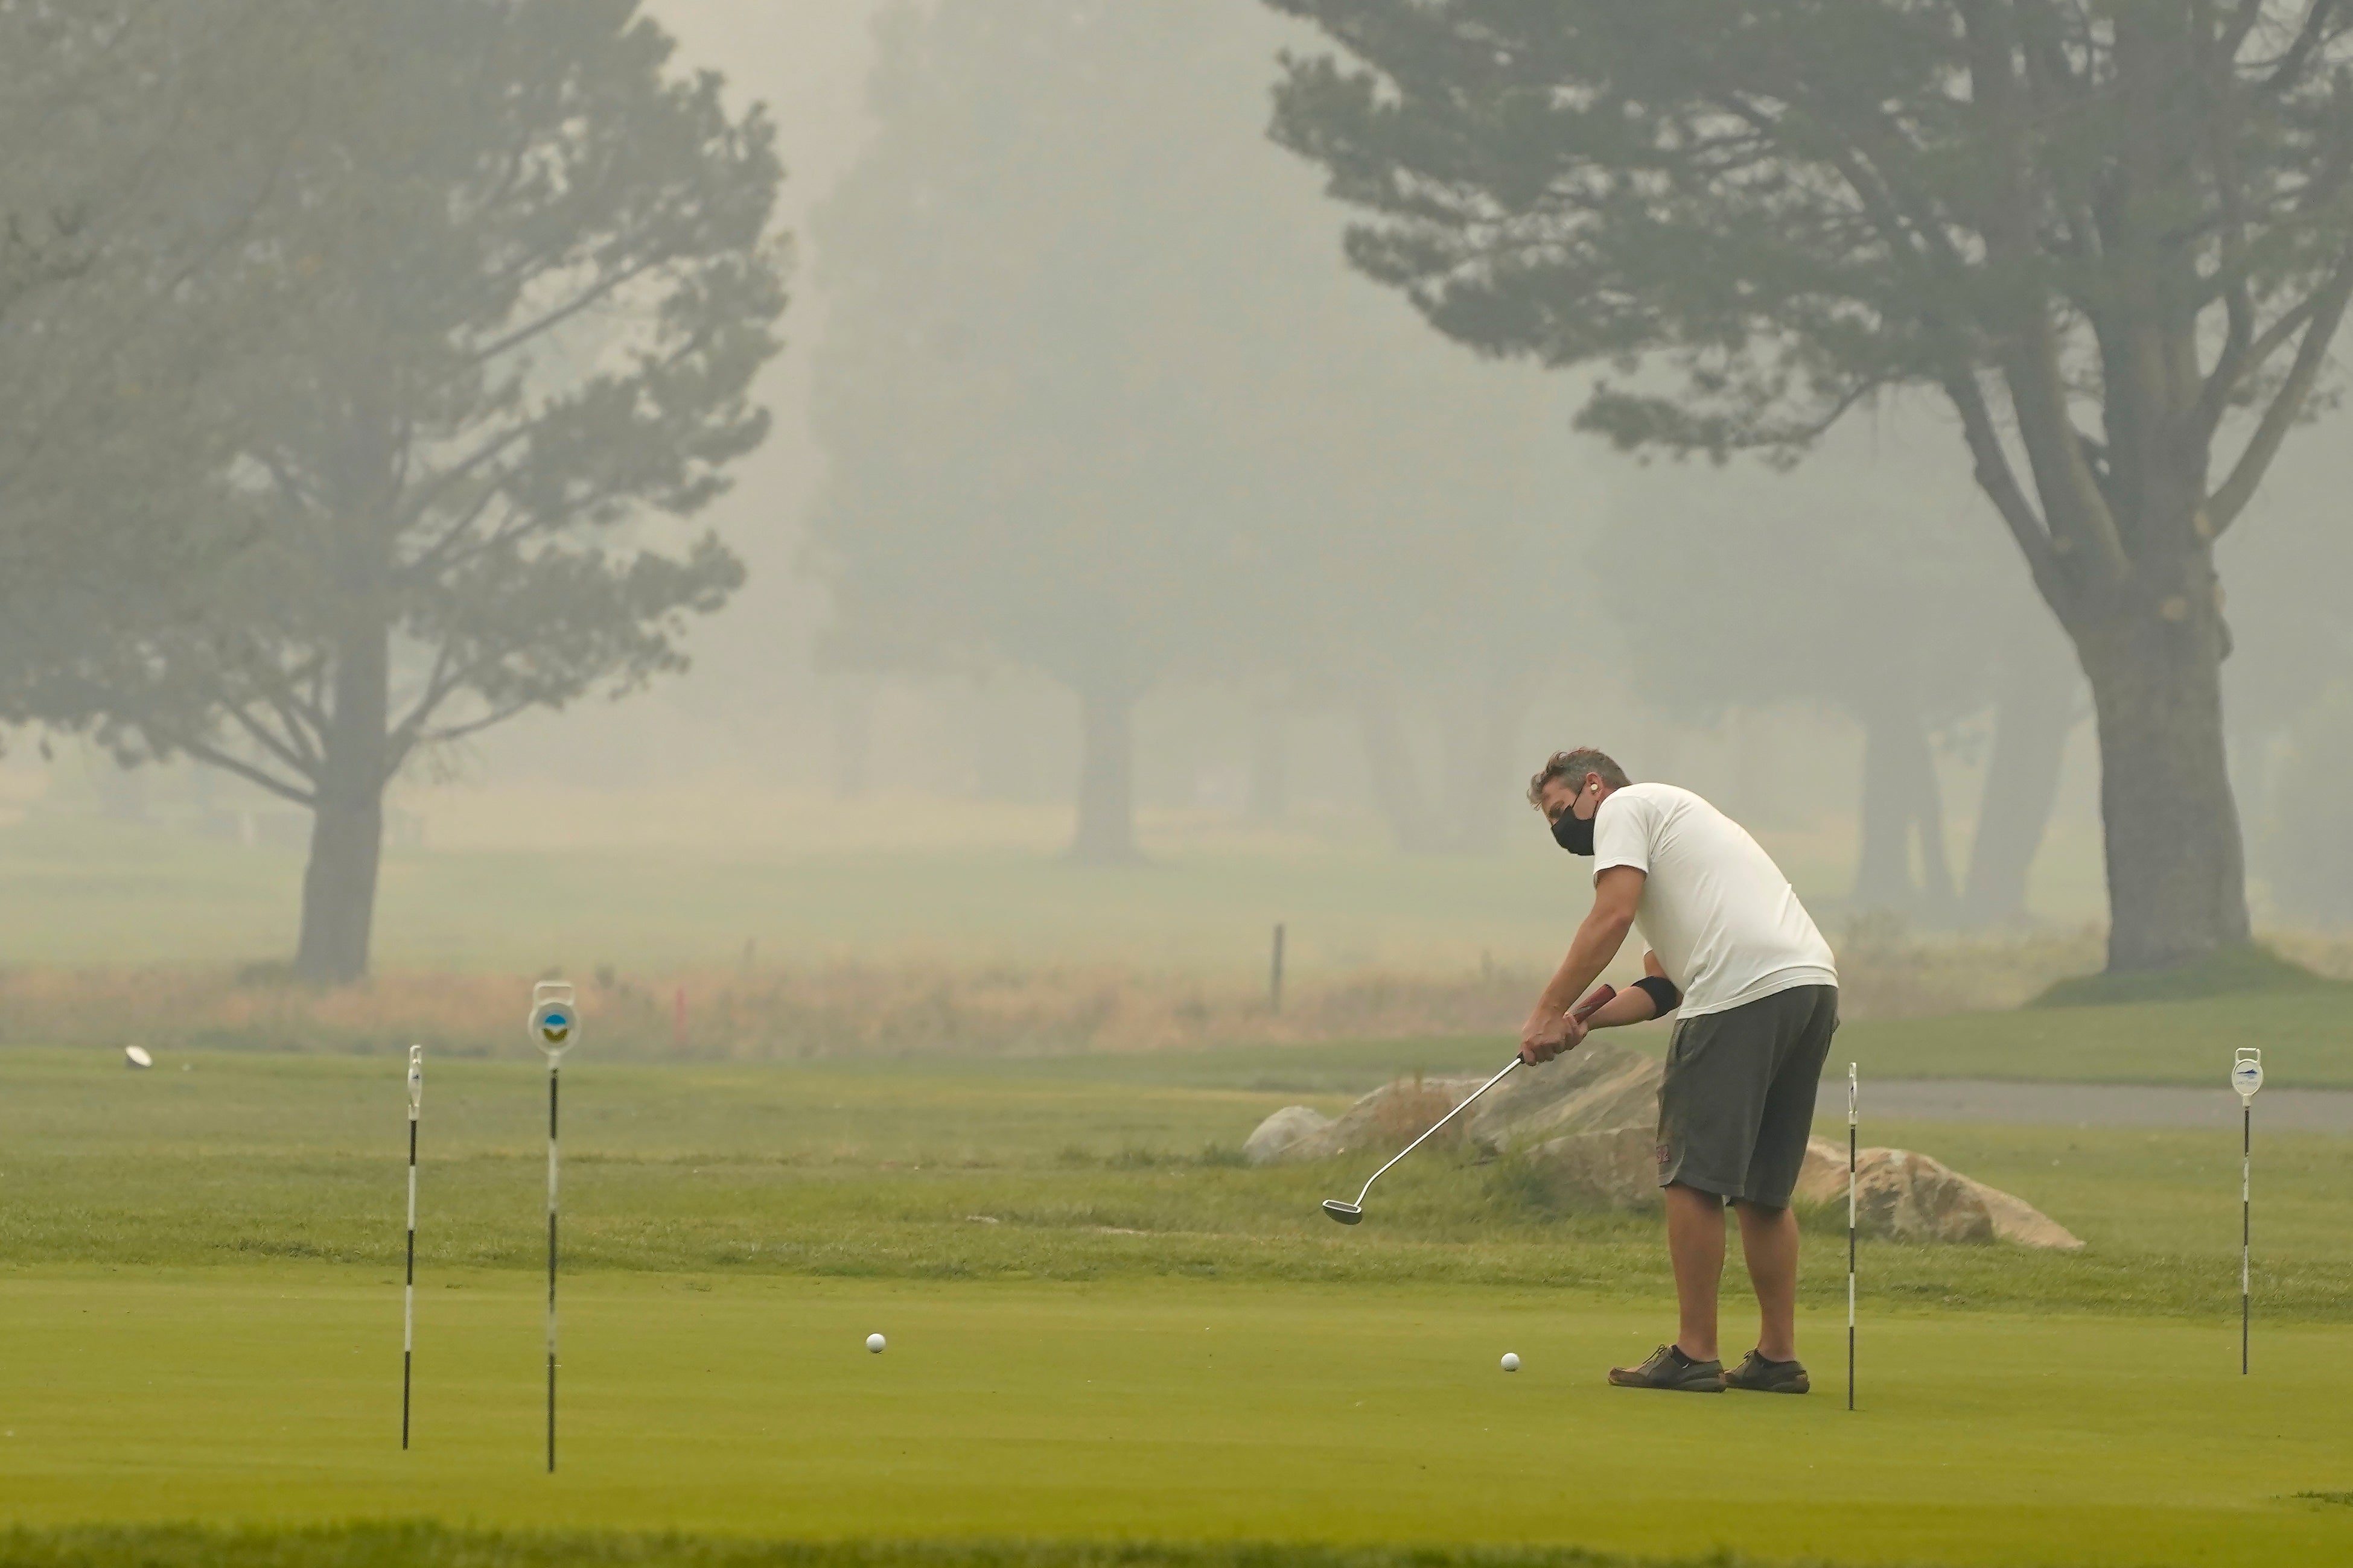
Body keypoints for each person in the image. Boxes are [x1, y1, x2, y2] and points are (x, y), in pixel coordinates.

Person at [1518, 747, 1839, 1394]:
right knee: (1761, 1188)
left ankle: (1694, 1352)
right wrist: (1583, 1023)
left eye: (1559, 811)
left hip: (1740, 993)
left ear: (1591, 787)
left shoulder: (1625, 808)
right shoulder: (1676, 829)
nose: (1560, 829)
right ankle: (1776, 1357)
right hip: (1808, 987)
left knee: (1690, 1175)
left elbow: (1608, 916)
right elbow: (1662, 987)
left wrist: (1545, 1009)